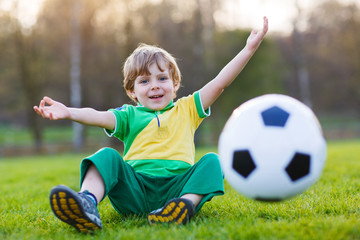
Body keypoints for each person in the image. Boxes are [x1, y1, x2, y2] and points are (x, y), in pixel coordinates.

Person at [34, 17, 268, 233]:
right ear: (131, 91)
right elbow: (96, 115)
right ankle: (86, 202)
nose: (155, 86)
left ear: (175, 84)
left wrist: (248, 49)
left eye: (162, 78)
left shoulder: (187, 108)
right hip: (136, 190)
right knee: (107, 155)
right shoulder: (128, 116)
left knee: (212, 160)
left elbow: (219, 83)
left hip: (178, 187)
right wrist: (67, 112)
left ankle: (184, 206)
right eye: (144, 81)